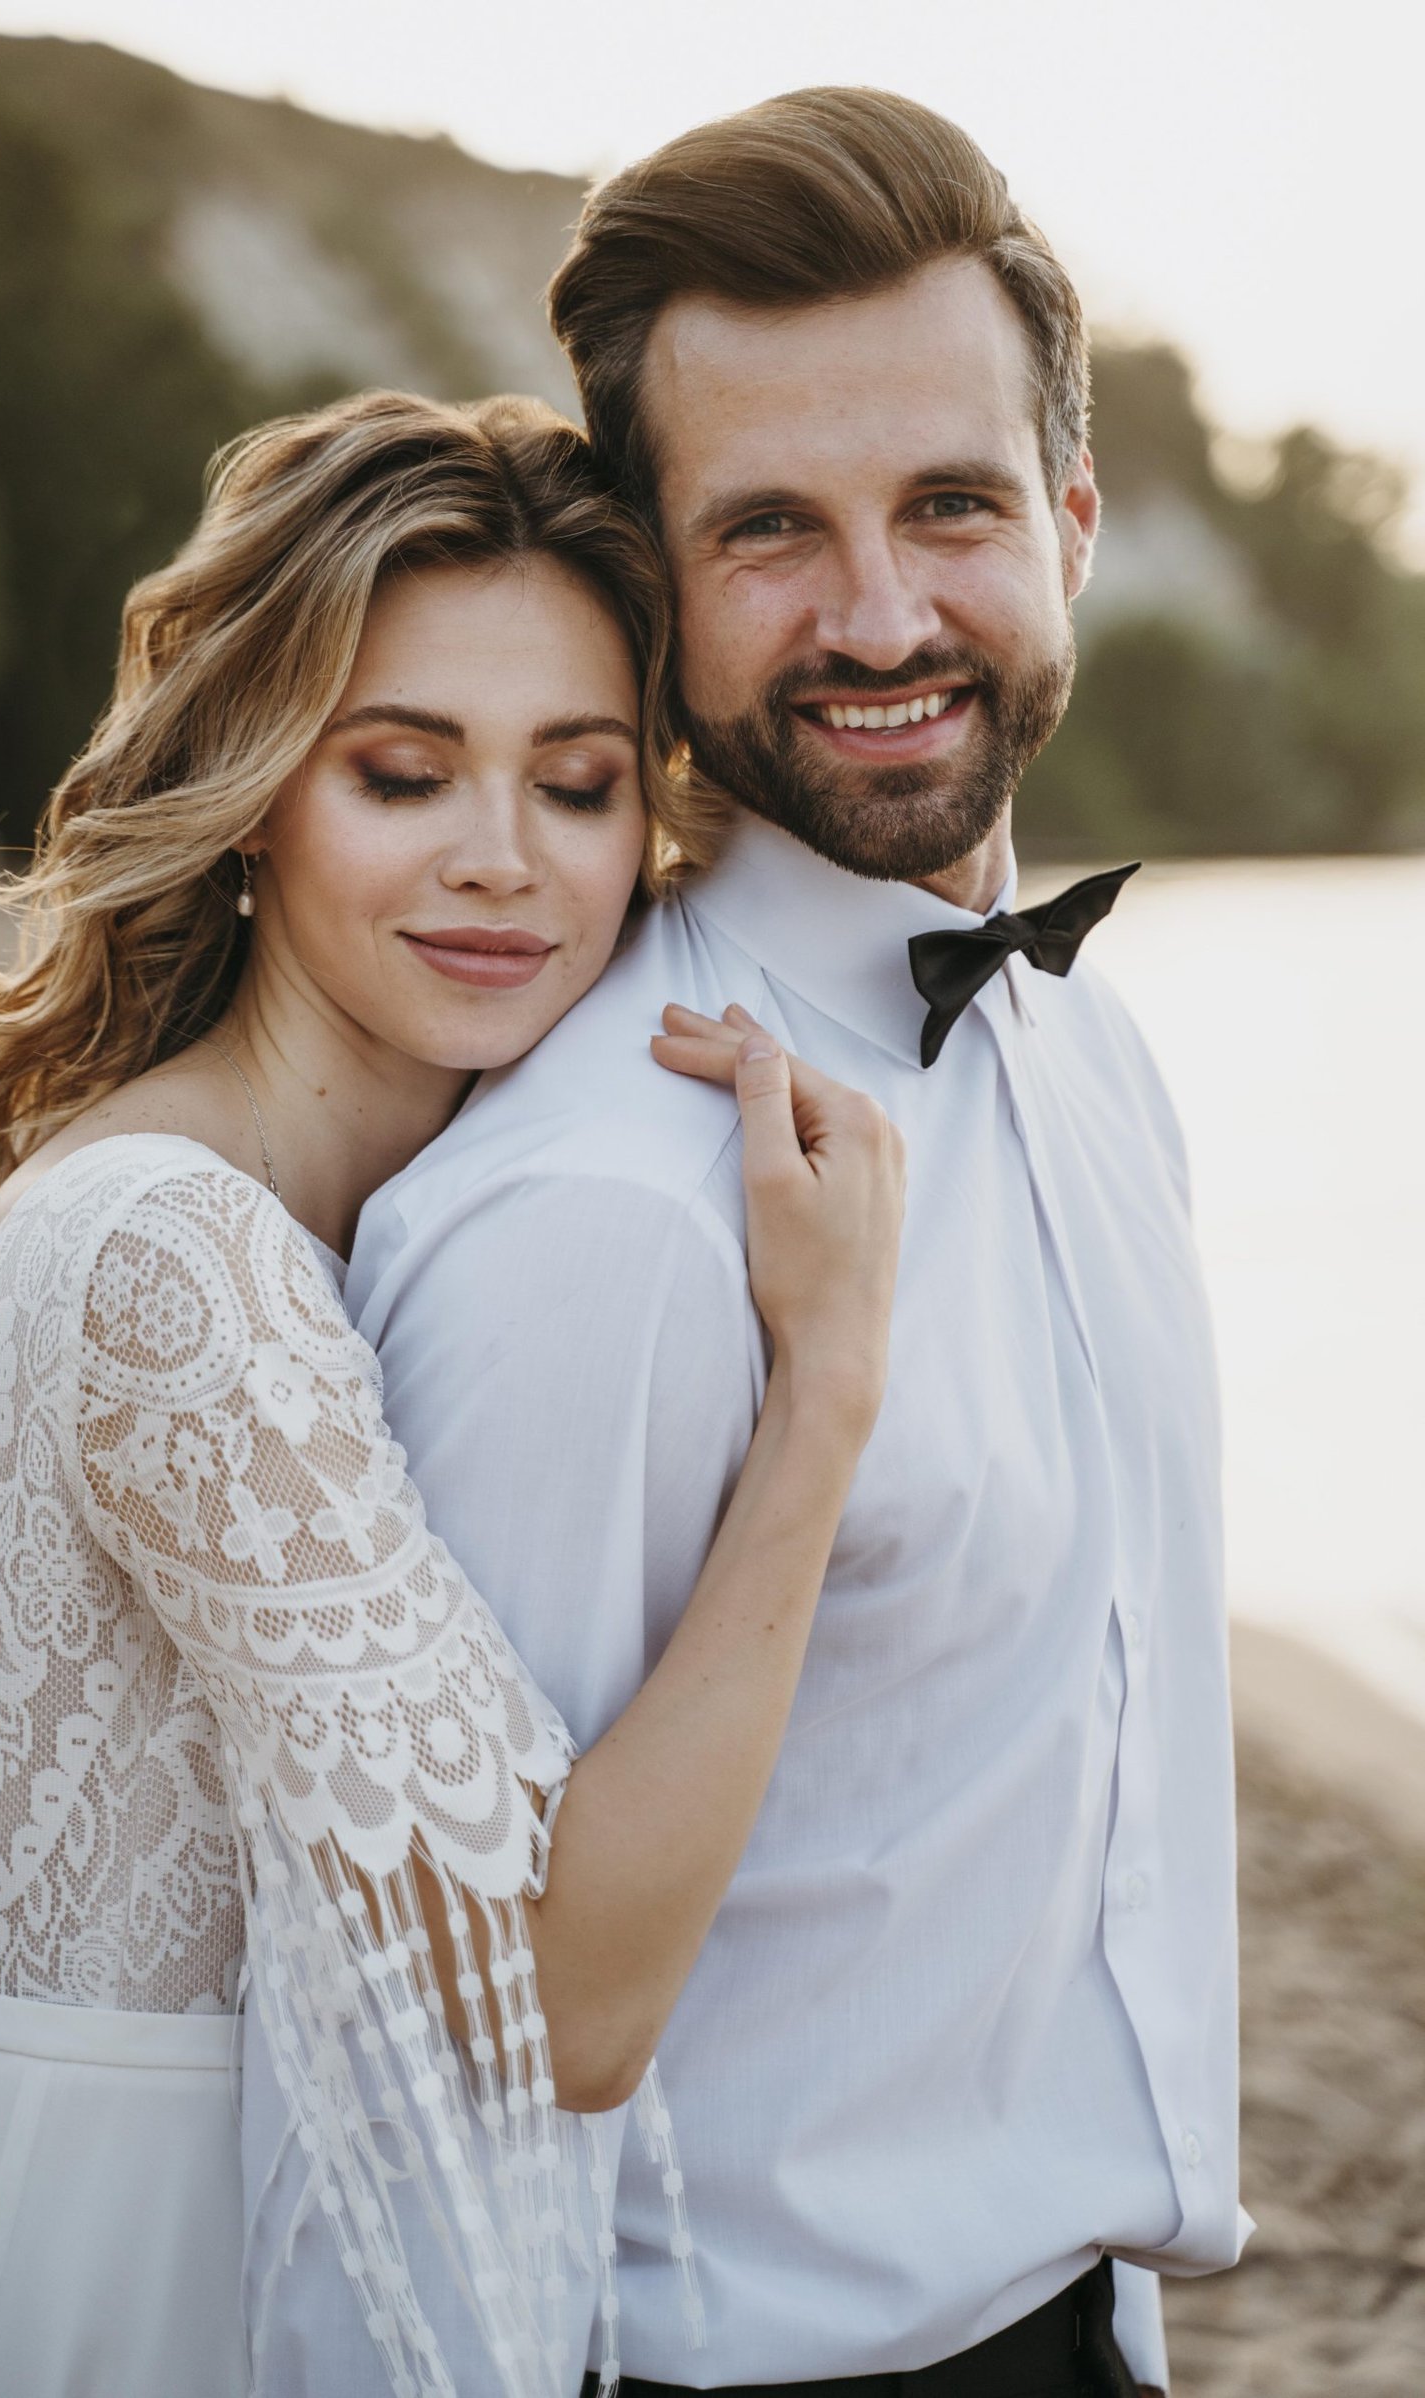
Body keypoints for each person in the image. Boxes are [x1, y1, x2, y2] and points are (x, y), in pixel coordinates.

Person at [246, 88, 1250, 2398]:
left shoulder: (1097, 1069)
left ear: (1072, 520)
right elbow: (419, 2071)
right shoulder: (591, 1210)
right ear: (652, 583)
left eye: (952, 506)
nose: (882, 613)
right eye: (770, 530)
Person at [0, 390, 904, 2398]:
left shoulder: (241, 1206)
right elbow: (557, 2010)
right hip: (137, 2282)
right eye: (403, 772)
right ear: (252, 794)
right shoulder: (175, 1255)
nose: (502, 862)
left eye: (578, 786)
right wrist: (826, 1384)